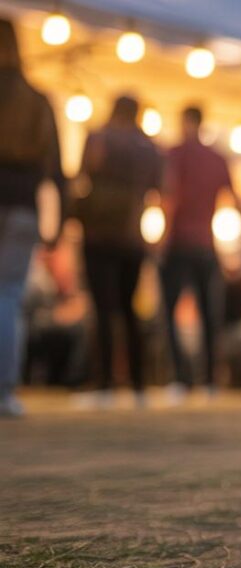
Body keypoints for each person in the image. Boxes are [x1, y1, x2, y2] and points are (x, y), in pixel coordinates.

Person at [74, 95, 161, 408]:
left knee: (102, 309)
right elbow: (158, 189)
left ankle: (104, 385)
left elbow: (83, 176)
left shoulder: (98, 137)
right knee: (129, 310)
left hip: (98, 234)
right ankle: (138, 385)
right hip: (132, 235)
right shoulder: (148, 147)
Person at [0, 19, 67, 417]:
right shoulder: (37, 100)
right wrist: (57, 225)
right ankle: (5, 389)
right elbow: (58, 170)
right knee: (9, 297)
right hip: (25, 207)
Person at [159, 106, 240, 404]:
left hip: (179, 242)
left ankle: (180, 378)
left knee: (170, 312)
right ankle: (209, 380)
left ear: (185, 122)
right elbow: (237, 201)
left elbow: (168, 197)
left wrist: (161, 239)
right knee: (209, 314)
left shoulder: (175, 153)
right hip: (207, 245)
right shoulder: (217, 158)